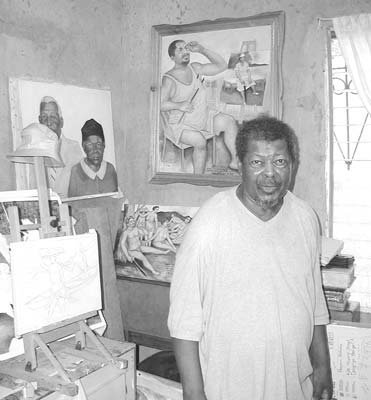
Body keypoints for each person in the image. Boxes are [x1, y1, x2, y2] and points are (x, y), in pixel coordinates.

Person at [168, 116, 333, 400]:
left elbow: (314, 300)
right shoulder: (210, 222)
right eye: (257, 163)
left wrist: (322, 366)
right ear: (240, 165)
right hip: (229, 388)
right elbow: (184, 320)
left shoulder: (306, 217)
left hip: (295, 386)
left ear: (292, 165)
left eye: (280, 161)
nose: (270, 174)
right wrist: (193, 394)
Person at [161, 40, 239, 173]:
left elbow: (222, 66)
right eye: (179, 50)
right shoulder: (169, 79)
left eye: (185, 48)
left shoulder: (195, 68)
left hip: (202, 118)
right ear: (172, 57)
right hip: (181, 124)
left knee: (229, 121)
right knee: (200, 141)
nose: (185, 52)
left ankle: (235, 162)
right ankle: (198, 177)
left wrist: (202, 49)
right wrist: (179, 105)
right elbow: (161, 105)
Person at [38, 96, 83, 198]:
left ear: (61, 121)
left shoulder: (73, 148)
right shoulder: (33, 151)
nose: (48, 122)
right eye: (44, 117)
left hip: (70, 209)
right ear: (39, 121)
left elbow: (81, 185)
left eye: (53, 117)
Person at [68, 119, 118, 197]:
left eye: (98, 144)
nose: (95, 150)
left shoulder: (110, 169)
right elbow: (72, 205)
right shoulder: (76, 171)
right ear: (84, 147)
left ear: (104, 145)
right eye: (90, 144)